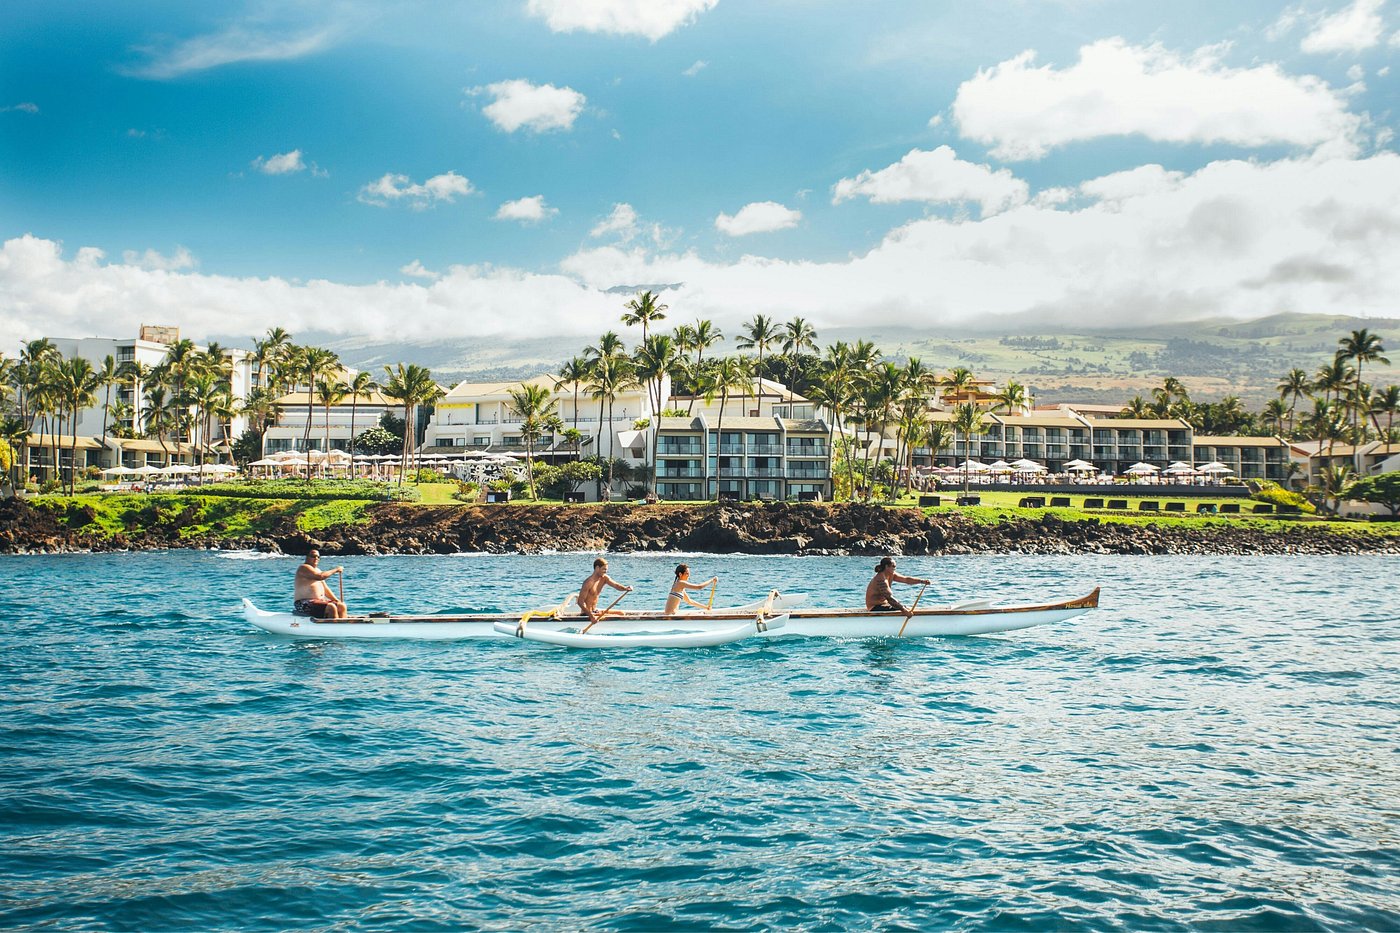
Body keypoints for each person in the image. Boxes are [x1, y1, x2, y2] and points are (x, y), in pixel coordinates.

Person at [293, 549, 347, 619]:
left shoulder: (318, 570)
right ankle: (333, 627)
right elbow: (320, 576)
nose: (316, 558)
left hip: (318, 602)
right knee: (331, 607)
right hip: (303, 603)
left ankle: (343, 626)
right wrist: (336, 570)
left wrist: (336, 600)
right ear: (307, 557)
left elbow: (325, 589)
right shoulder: (303, 568)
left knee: (341, 605)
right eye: (313, 556)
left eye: (318, 557)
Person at [865, 557, 930, 612]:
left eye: (895, 566)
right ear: (886, 566)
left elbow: (906, 579)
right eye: (893, 566)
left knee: (905, 607)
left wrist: (922, 581)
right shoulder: (881, 579)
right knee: (903, 608)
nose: (895, 568)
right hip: (874, 607)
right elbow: (889, 598)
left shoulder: (891, 574)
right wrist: (904, 610)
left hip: (884, 604)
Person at [578, 557, 632, 624]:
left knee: (621, 613)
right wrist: (591, 616)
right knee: (619, 616)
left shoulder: (604, 578)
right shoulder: (589, 582)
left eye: (606, 570)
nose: (605, 571)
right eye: (604, 569)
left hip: (595, 611)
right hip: (587, 614)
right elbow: (580, 602)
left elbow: (616, 585)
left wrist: (626, 588)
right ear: (597, 568)